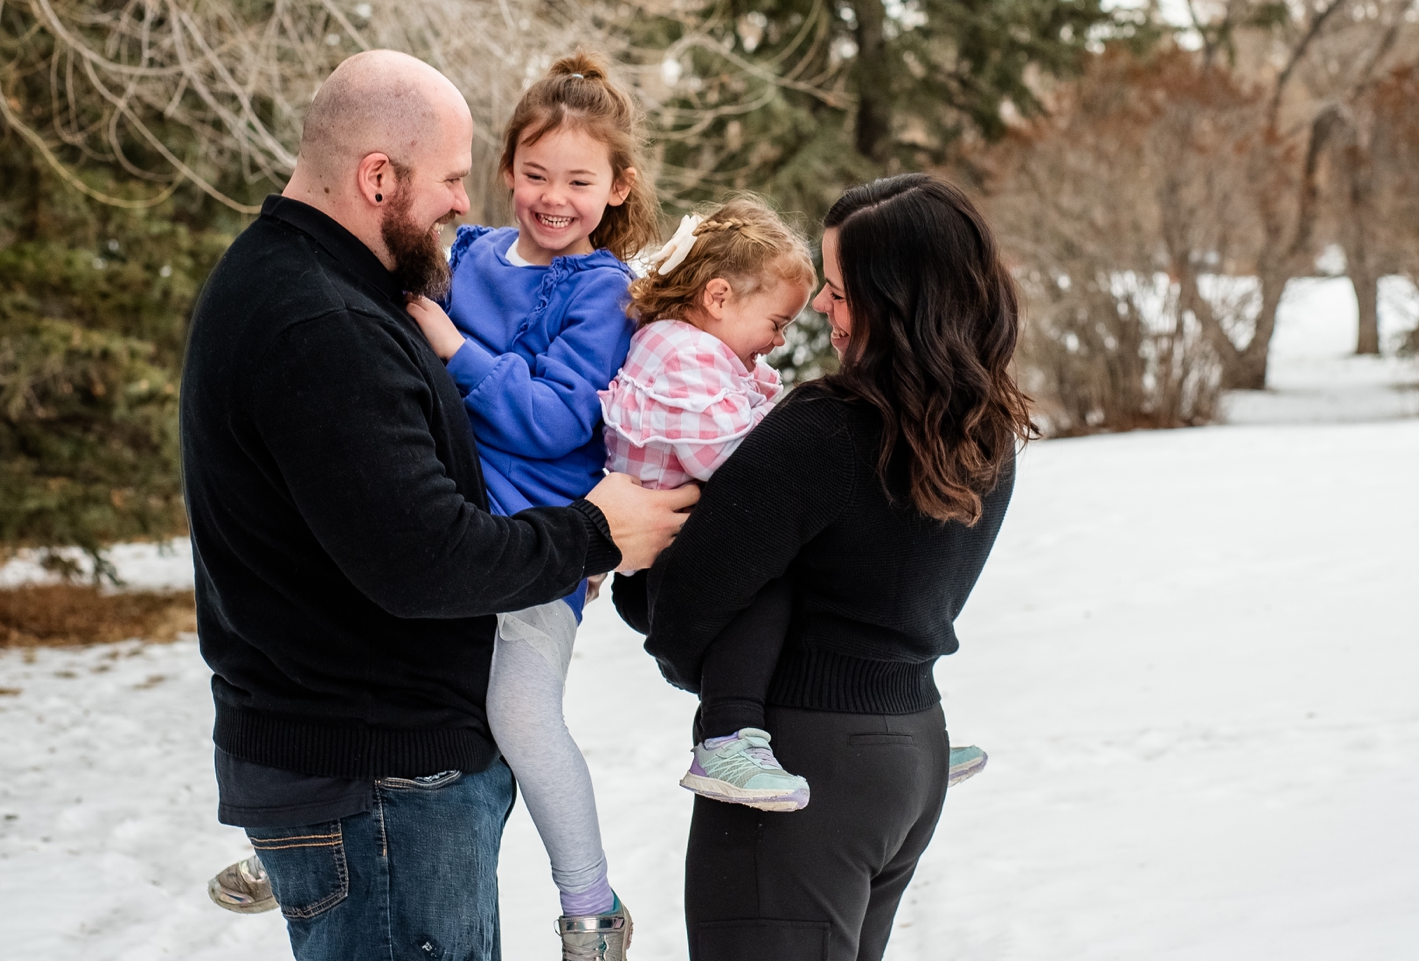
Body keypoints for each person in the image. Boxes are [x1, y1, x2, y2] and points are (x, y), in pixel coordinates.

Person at [181, 49, 697, 962]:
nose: (466, 204)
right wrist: (593, 533)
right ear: (378, 178)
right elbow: (423, 558)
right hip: (375, 786)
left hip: (366, 776)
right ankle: (590, 904)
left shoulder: (320, 282)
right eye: (454, 180)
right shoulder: (323, 321)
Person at [614, 173, 1035, 960]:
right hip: (912, 755)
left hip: (803, 769)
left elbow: (683, 604)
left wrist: (640, 580)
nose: (817, 306)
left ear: (893, 303)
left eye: (838, 292)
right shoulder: (986, 435)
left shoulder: (826, 429)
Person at [399, 51, 658, 959]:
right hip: (450, 521)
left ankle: (591, 902)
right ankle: (294, 839)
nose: (554, 198)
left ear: (617, 187)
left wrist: (454, 347)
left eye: (580, 181)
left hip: (540, 544)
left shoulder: (601, 289)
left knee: (521, 710)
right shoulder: (466, 254)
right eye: (537, 173)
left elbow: (555, 420)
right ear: (505, 168)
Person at [598, 195, 818, 810]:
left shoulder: (696, 349)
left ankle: (850, 718)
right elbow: (727, 459)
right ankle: (726, 737)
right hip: (665, 562)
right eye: (776, 322)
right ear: (719, 298)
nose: (779, 341)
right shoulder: (683, 353)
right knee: (766, 585)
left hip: (679, 550)